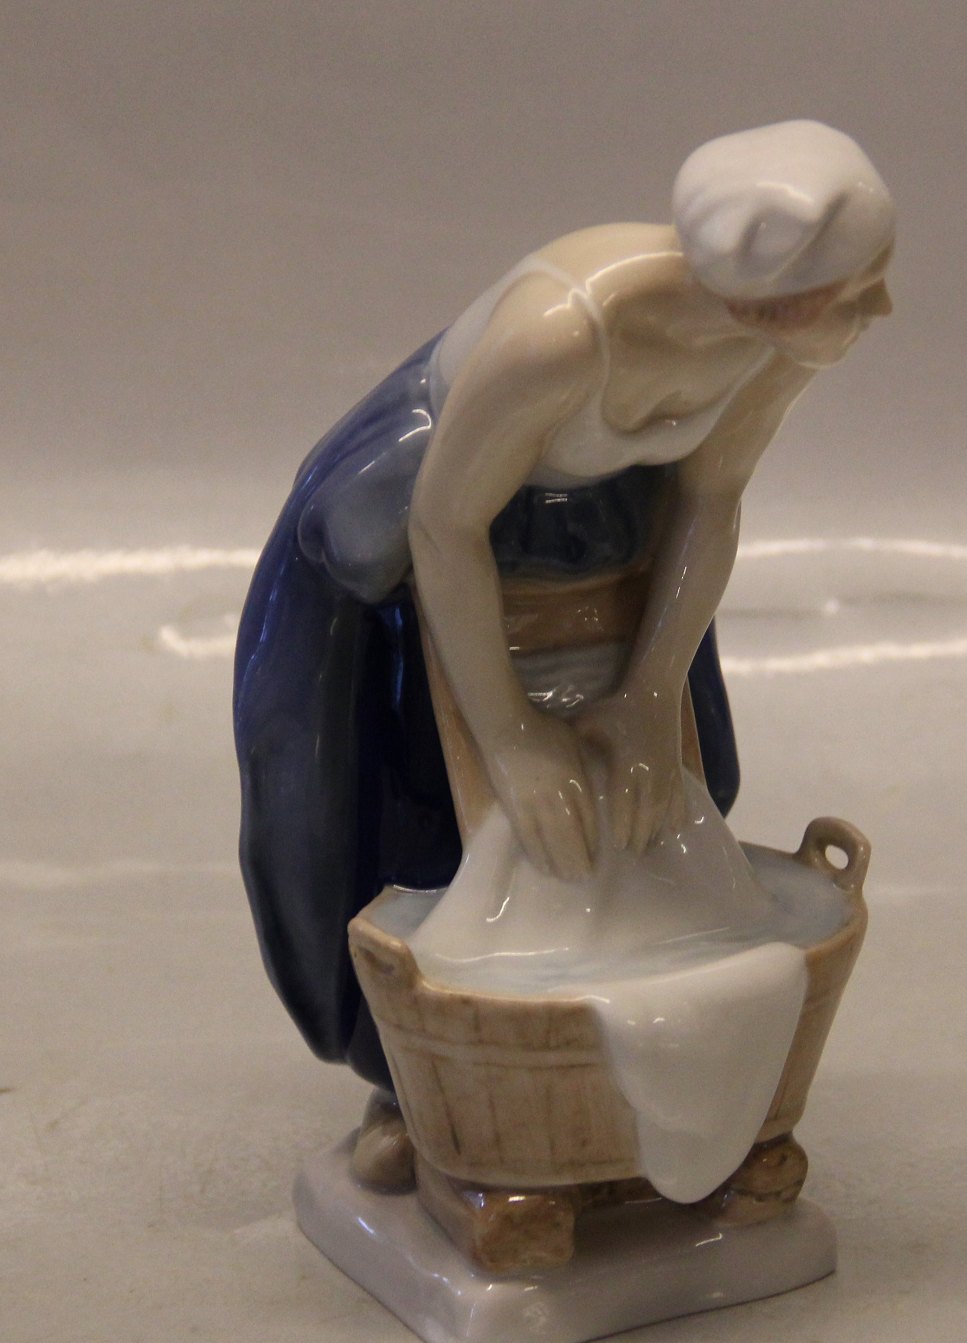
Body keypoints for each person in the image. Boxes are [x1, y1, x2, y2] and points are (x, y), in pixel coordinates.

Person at [234, 119, 895, 1095]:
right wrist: (508, 739)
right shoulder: (560, 336)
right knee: (412, 805)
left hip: (604, 530)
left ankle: (622, 1074)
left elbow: (710, 501)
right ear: (769, 297)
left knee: (666, 787)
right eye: (857, 286)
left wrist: (651, 691)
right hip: (425, 531)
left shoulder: (777, 348)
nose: (881, 306)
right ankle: (423, 1088)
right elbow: (444, 529)